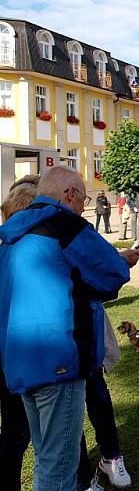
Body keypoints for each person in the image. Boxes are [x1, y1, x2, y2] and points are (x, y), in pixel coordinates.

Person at [0, 166, 138, 491]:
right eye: (84, 198)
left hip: (18, 359)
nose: (82, 206)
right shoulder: (66, 223)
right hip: (59, 358)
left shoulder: (11, 233)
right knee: (59, 469)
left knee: (47, 460)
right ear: (71, 194)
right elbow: (113, 272)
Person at [0, 175, 39, 491]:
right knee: (20, 429)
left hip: (11, 353)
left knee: (15, 429)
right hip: (20, 356)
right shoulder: (26, 254)